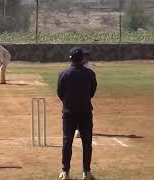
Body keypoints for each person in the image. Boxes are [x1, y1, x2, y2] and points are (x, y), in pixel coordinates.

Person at [58, 47, 97, 180]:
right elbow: (92, 92)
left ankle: (65, 172)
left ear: (70, 59)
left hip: (69, 112)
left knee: (67, 141)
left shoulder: (64, 73)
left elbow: (60, 93)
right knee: (87, 142)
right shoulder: (90, 73)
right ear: (82, 59)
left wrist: (69, 101)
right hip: (85, 111)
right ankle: (86, 172)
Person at [75, 49, 91, 138]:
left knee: (83, 112)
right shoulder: (77, 64)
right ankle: (78, 129)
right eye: (84, 57)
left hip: (84, 93)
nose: (85, 59)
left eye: (87, 57)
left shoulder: (88, 67)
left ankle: (80, 130)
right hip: (76, 93)